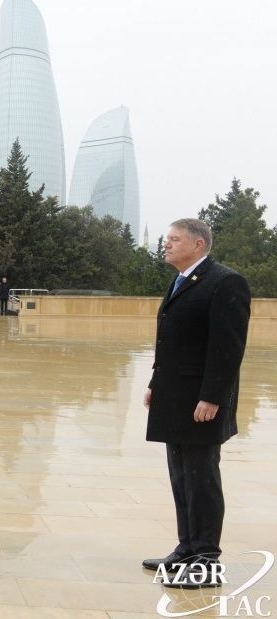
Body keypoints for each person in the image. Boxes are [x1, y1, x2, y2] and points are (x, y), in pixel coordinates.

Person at [141, 218, 250, 589]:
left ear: (198, 244)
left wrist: (213, 397)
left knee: (201, 479)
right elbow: (172, 341)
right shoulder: (182, 280)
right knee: (181, 477)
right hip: (175, 397)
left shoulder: (224, 281)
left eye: (174, 239)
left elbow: (228, 347)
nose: (166, 244)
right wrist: (156, 383)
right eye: (166, 238)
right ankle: (187, 549)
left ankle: (206, 560)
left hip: (201, 401)